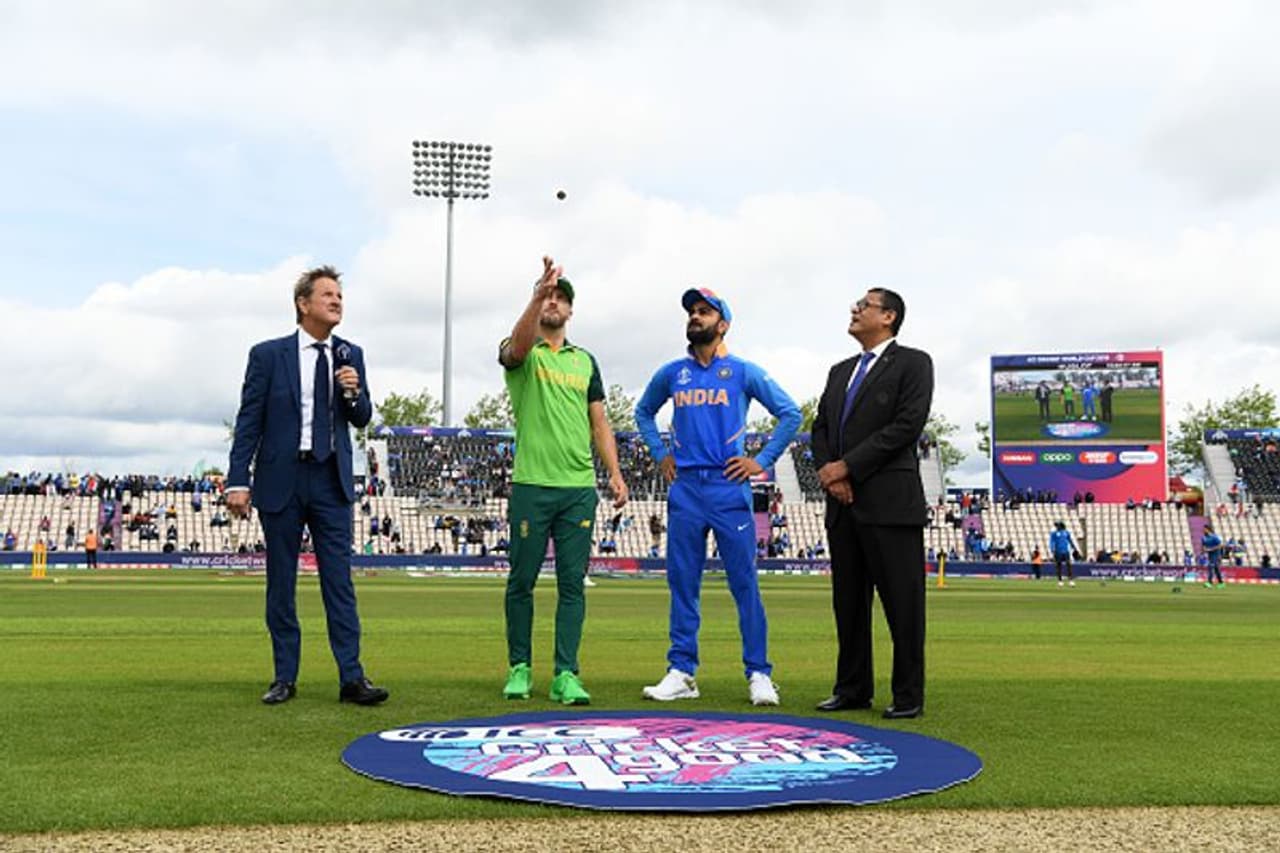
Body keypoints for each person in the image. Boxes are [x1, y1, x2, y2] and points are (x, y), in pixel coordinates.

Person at [226, 265, 388, 707]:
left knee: (339, 582)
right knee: (282, 581)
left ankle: (352, 678)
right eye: (328, 294)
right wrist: (237, 478)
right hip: (282, 478)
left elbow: (362, 417)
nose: (337, 301)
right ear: (303, 303)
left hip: (331, 480)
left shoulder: (350, 353)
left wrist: (353, 393)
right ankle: (284, 676)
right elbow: (249, 420)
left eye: (340, 295)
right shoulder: (267, 355)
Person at [634, 287, 801, 707]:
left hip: (729, 487)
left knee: (744, 583)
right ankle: (682, 671)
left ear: (722, 323)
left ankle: (759, 673)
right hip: (686, 488)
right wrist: (660, 454)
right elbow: (642, 412)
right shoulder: (673, 373)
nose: (695, 316)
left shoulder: (743, 372)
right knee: (682, 583)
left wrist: (760, 461)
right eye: (692, 311)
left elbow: (790, 414)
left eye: (704, 311)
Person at [499, 256, 628, 705]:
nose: (553, 302)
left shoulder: (585, 361)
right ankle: (520, 667)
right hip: (532, 484)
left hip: (577, 489)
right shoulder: (524, 352)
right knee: (522, 581)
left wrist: (614, 472)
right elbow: (513, 349)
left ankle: (565, 674)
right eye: (547, 296)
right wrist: (535, 295)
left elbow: (599, 422)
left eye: (560, 298)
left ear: (571, 311)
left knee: (573, 585)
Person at [811, 288, 933, 720]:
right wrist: (831, 473)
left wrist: (847, 467)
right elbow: (820, 427)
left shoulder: (914, 363)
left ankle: (907, 695)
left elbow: (906, 426)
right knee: (848, 603)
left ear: (888, 316)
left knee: (903, 605)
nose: (854, 309)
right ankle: (852, 688)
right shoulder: (839, 370)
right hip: (843, 505)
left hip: (890, 504)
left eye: (864, 305)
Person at [1049, 520, 1077, 587]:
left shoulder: (1066, 532)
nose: (1057, 527)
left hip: (1066, 551)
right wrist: (1052, 549)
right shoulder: (1054, 533)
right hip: (1058, 552)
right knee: (1059, 567)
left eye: (1057, 525)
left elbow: (1070, 540)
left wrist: (1074, 547)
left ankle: (1070, 580)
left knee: (1069, 566)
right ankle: (1060, 581)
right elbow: (1052, 542)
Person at [1201, 522, 1225, 589]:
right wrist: (1203, 550)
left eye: (1204, 529)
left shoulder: (1214, 537)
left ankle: (1209, 582)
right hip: (1210, 555)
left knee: (1211, 567)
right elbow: (1203, 546)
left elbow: (1220, 545)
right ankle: (1221, 583)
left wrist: (1211, 549)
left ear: (1208, 529)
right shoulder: (1203, 538)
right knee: (1216, 569)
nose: (1203, 531)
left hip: (1216, 555)